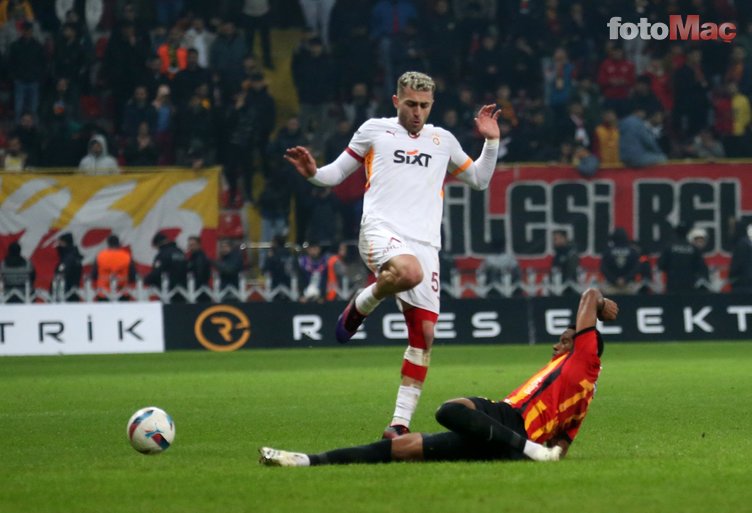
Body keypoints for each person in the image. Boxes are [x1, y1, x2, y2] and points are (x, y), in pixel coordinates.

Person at [284, 71, 501, 438]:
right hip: (380, 230)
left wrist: (491, 141)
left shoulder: (442, 140)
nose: (417, 112)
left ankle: (399, 425)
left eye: (424, 106)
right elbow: (335, 173)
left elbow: (479, 180)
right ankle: (364, 303)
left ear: (432, 105)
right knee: (409, 272)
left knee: (424, 336)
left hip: (425, 243)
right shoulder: (374, 131)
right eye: (411, 104)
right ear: (396, 101)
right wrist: (313, 174)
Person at [259, 287, 619, 467]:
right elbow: (564, 445)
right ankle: (307, 460)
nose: (557, 345)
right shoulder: (583, 395)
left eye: (565, 340)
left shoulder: (584, 360)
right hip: (504, 430)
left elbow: (589, 294)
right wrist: (547, 454)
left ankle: (524, 448)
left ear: (585, 345)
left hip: (512, 423)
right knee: (403, 448)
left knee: (449, 410)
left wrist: (602, 306)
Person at [657, 224, 709, 294]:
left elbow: (661, 265)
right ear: (688, 233)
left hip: (673, 286)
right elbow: (700, 267)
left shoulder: (669, 248)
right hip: (689, 286)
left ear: (675, 232)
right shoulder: (694, 249)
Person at [91, 235, 136, 300]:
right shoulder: (127, 256)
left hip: (103, 292)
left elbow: (94, 275)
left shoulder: (100, 256)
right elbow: (132, 275)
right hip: (122, 292)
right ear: (119, 244)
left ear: (108, 244)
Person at [144, 232, 188, 296]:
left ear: (158, 244)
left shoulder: (163, 254)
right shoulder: (180, 252)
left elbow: (157, 272)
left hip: (168, 290)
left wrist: (146, 280)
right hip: (184, 290)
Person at [53, 232, 83, 300]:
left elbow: (61, 275)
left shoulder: (68, 259)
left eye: (60, 243)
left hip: (66, 294)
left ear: (64, 243)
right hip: (72, 293)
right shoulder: (73, 255)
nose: (58, 245)